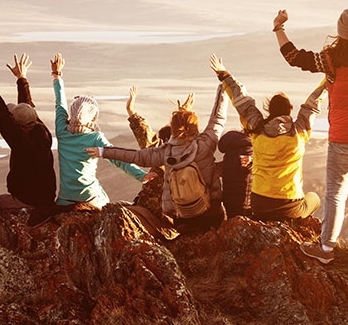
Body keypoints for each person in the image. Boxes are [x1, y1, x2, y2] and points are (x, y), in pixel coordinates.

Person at [276, 7, 348, 263]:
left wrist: (279, 28)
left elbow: (294, 56)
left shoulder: (330, 58)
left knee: (336, 193)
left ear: (340, 29)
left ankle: (327, 248)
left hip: (344, 137)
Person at [88, 83, 229, 234]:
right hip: (212, 214)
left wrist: (103, 151)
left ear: (173, 130)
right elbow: (217, 118)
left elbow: (134, 156)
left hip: (182, 217)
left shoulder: (165, 153)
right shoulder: (205, 145)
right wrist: (224, 83)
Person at [211, 54, 327, 222]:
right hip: (290, 205)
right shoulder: (299, 131)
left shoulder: (257, 129)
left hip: (259, 204)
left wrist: (224, 74)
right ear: (289, 111)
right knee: (314, 198)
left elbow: (242, 101)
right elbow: (313, 103)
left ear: (269, 110)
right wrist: (330, 78)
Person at [43, 52, 147, 216]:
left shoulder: (62, 131)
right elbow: (119, 159)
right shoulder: (95, 138)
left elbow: (60, 103)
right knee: (110, 206)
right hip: (90, 198)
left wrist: (56, 75)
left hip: (65, 200)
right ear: (92, 116)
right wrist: (142, 176)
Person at [0, 51, 57, 209]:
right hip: (46, 197)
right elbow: (27, 108)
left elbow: (1, 116)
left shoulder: (21, 142)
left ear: (18, 125)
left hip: (27, 200)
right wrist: (21, 78)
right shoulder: (41, 130)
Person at [217, 126, 253, 219]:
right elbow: (248, 167)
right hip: (244, 203)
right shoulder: (249, 149)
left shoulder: (231, 150)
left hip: (229, 200)